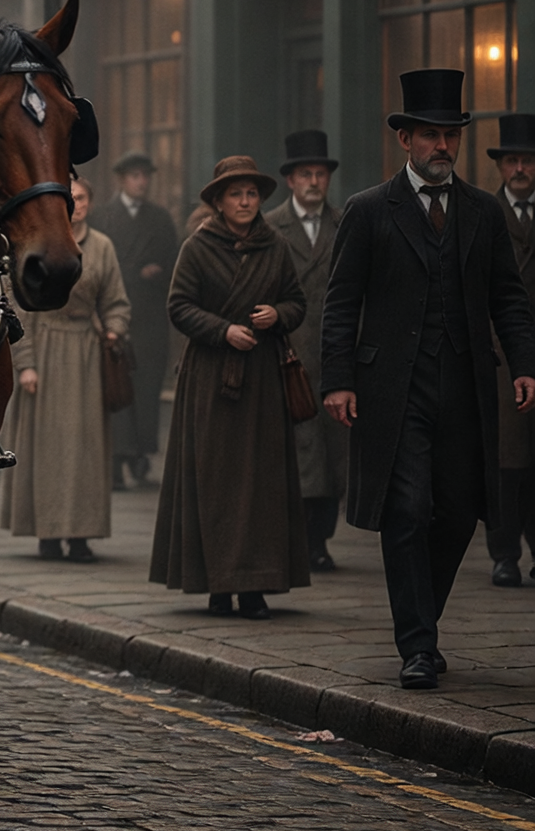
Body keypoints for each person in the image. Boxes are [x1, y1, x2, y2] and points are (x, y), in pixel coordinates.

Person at [322, 69, 535, 689]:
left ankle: (422, 623)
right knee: (408, 510)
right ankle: (418, 644)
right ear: (406, 141)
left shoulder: (483, 212)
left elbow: (509, 298)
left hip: (466, 386)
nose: (442, 147)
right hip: (394, 390)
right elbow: (341, 302)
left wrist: (524, 364)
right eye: (431, 136)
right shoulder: (369, 211)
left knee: (460, 513)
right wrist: (338, 379)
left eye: (451, 136)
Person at [150, 155, 310, 619]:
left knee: (260, 484)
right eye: (236, 194)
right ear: (218, 201)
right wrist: (223, 331)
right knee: (214, 481)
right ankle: (217, 584)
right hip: (211, 381)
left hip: (260, 380)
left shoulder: (275, 246)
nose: (245, 201)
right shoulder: (198, 248)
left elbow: (297, 302)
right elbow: (178, 306)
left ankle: (255, 586)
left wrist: (278, 315)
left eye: (252, 193)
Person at [5, 176, 131, 562]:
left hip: (86, 357)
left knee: (85, 449)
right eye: (69, 198)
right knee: (45, 449)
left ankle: (81, 535)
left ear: (90, 203)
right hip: (43, 350)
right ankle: (47, 533)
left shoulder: (103, 247)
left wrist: (115, 329)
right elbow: (17, 305)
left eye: (81, 198)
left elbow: (116, 301)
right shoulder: (37, 242)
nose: (76, 204)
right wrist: (25, 363)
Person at [267, 129, 346, 572]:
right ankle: (301, 541)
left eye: (320, 174)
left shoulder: (345, 224)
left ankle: (321, 540)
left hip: (334, 354)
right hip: (288, 356)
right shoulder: (271, 226)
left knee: (335, 455)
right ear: (291, 182)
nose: (314, 182)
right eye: (305, 175)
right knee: (297, 454)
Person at [95, 149, 178, 488]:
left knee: (146, 389)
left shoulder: (160, 219)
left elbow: (174, 266)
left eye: (146, 176)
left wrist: (155, 275)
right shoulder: (103, 218)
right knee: (116, 385)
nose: (142, 182)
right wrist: (135, 272)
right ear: (122, 180)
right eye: (135, 176)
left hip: (150, 320)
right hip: (113, 319)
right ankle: (118, 456)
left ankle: (141, 454)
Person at [486, 114, 535, 586]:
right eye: (512, 161)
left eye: (527, 161)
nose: (520, 169)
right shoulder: (484, 214)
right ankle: (504, 555)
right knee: (506, 460)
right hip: (500, 354)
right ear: (501, 167)